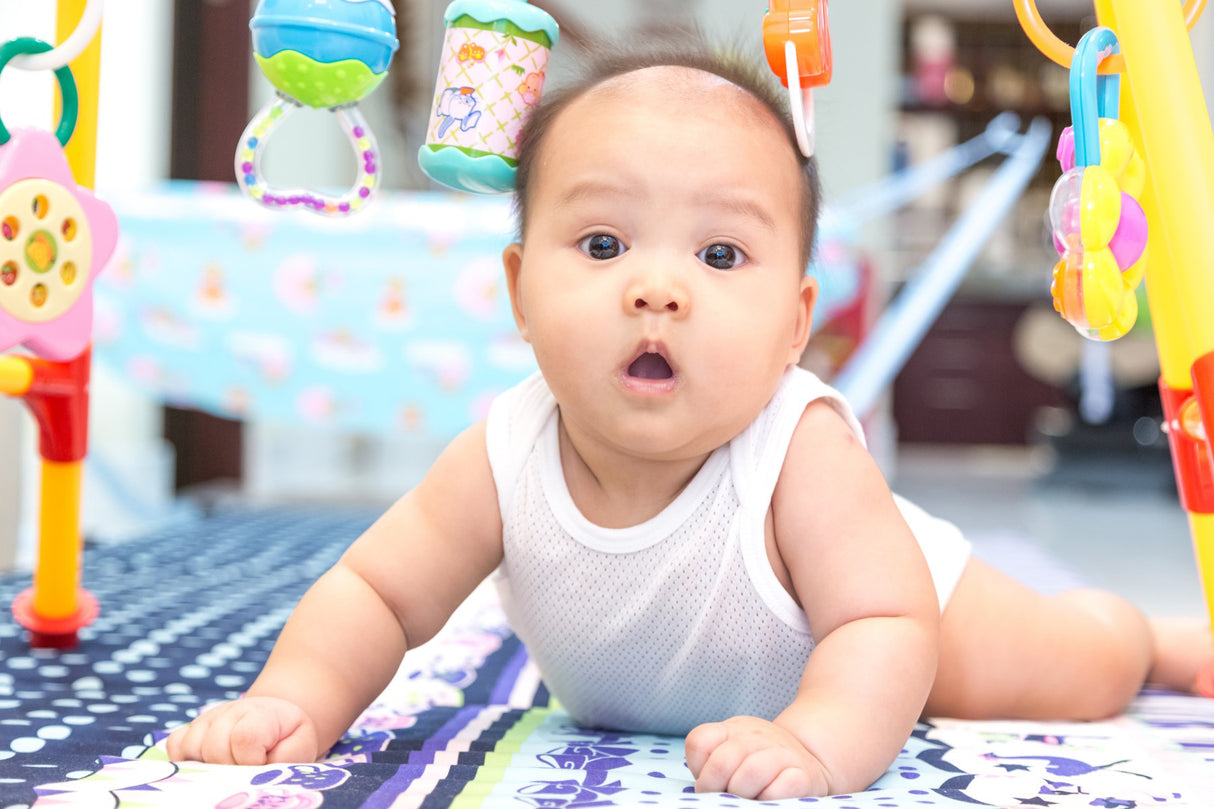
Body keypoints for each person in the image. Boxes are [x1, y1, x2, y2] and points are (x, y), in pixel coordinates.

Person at [167, 36, 1212, 800]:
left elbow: (879, 623)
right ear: (521, 290)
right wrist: (295, 695)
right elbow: (375, 592)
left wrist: (815, 739)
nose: (655, 288)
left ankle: (1152, 639)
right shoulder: (500, 451)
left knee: (1072, 669)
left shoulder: (796, 449)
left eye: (718, 256)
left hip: (913, 610)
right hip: (712, 672)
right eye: (603, 243)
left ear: (791, 323)